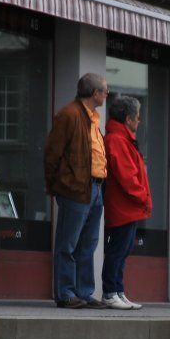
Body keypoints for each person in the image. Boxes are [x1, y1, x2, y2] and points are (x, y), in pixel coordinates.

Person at [45, 73, 109, 308]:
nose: (107, 94)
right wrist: (57, 186)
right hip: (75, 188)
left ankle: (84, 292)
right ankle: (66, 293)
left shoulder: (92, 117)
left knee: (88, 244)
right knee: (68, 244)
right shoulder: (69, 114)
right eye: (105, 91)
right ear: (95, 93)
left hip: (95, 188)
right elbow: (52, 154)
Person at [101, 94, 151, 309]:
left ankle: (118, 291)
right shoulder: (117, 140)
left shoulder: (122, 139)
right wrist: (142, 197)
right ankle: (110, 292)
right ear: (128, 119)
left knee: (123, 251)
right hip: (124, 207)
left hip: (128, 206)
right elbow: (127, 176)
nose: (139, 120)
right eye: (137, 116)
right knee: (118, 251)